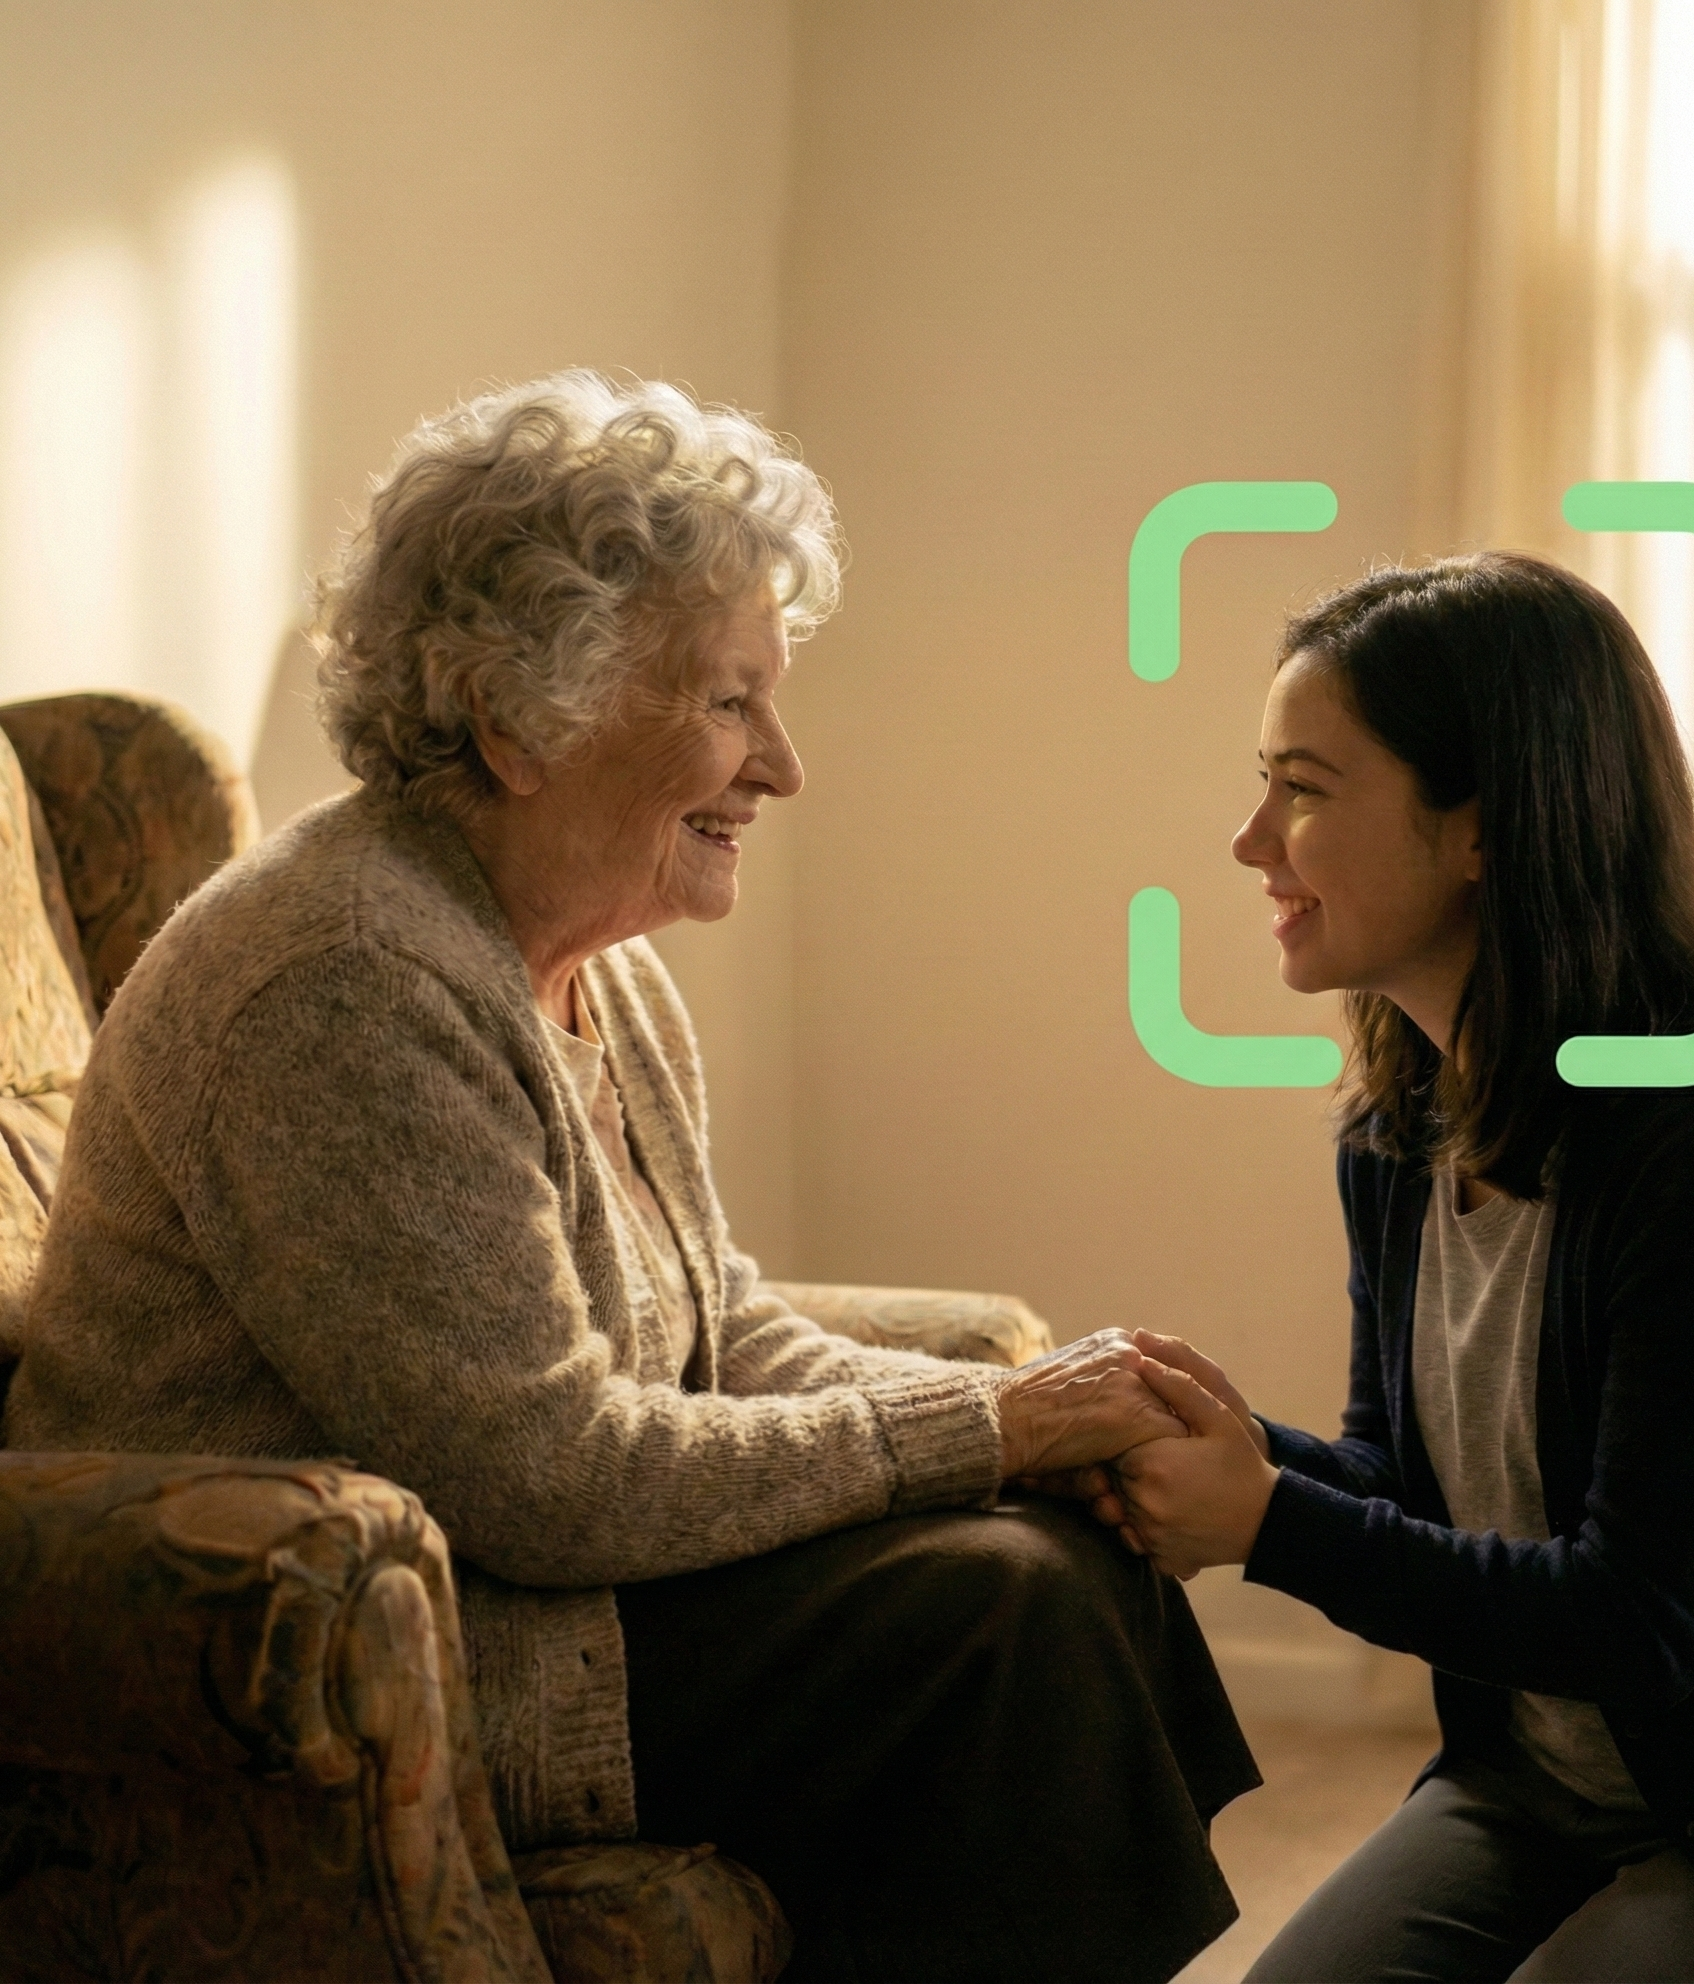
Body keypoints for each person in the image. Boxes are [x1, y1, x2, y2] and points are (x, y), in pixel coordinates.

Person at [4, 371, 1257, 1984]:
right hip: (359, 1641)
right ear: (521, 715)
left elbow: (721, 1331)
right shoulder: (343, 977)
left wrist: (1027, 1434)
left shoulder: (598, 964)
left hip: (538, 1579)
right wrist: (980, 1430)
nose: (784, 766)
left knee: (1056, 1553)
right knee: (992, 1621)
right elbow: (542, 1471)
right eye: (732, 702)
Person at [1080, 556, 1694, 1982]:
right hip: (1551, 1793)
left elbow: (1637, 1623)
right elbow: (1411, 1484)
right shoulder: (1400, 1134)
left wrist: (1265, 1523)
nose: (1248, 841)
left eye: (1306, 789)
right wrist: (1200, 1440)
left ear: (1479, 829)